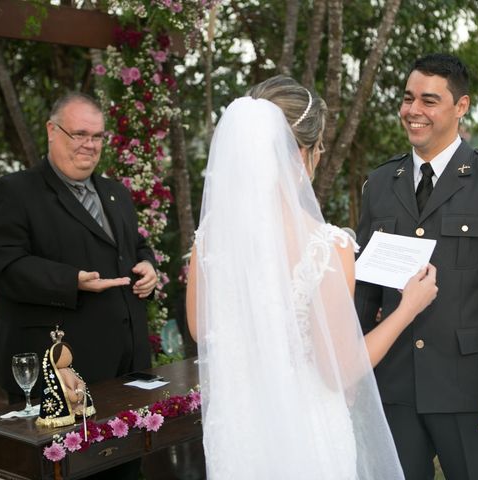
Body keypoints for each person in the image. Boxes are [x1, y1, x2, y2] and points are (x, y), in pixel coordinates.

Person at [185, 75, 437, 480]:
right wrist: (408, 307)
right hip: (307, 430)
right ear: (300, 155)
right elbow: (340, 367)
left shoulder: (210, 238)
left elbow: (200, 328)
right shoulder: (327, 246)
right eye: (318, 149)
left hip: (241, 429)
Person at [354, 53, 478, 480]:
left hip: (472, 391)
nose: (413, 111)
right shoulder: (381, 183)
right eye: (408, 99)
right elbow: (364, 290)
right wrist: (353, 374)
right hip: (395, 388)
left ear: (460, 107)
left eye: (429, 100)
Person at [0, 92, 157, 477]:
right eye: (78, 134)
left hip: (126, 374)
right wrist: (70, 281)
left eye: (97, 136)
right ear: (51, 131)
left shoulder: (116, 193)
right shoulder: (14, 192)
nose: (89, 145)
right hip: (56, 378)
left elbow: (134, 247)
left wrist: (148, 266)